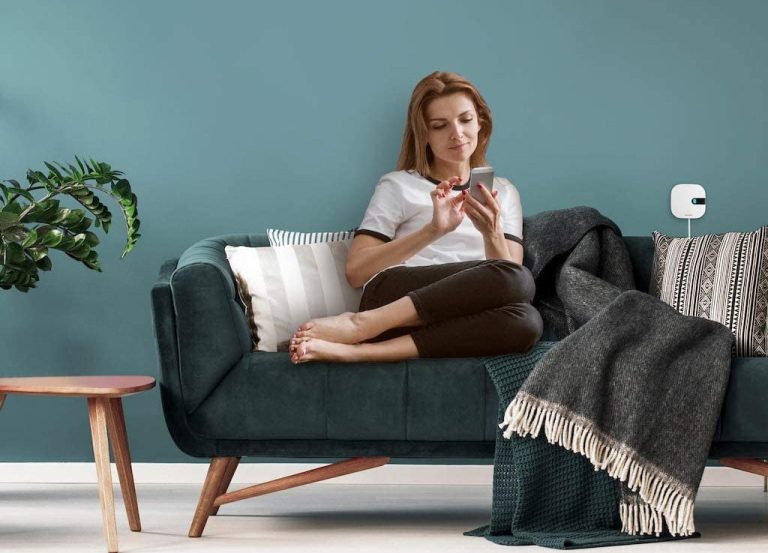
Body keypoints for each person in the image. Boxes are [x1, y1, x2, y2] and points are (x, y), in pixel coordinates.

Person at [289, 71, 542, 364]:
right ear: (424, 134)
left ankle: (360, 352)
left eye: (465, 119)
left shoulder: (504, 192)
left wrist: (491, 233)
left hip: (462, 312)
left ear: (481, 121)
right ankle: (361, 324)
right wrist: (433, 231)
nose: (457, 134)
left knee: (527, 322)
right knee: (519, 280)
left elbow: (509, 287)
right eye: (440, 125)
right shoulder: (397, 185)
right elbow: (356, 270)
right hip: (393, 298)